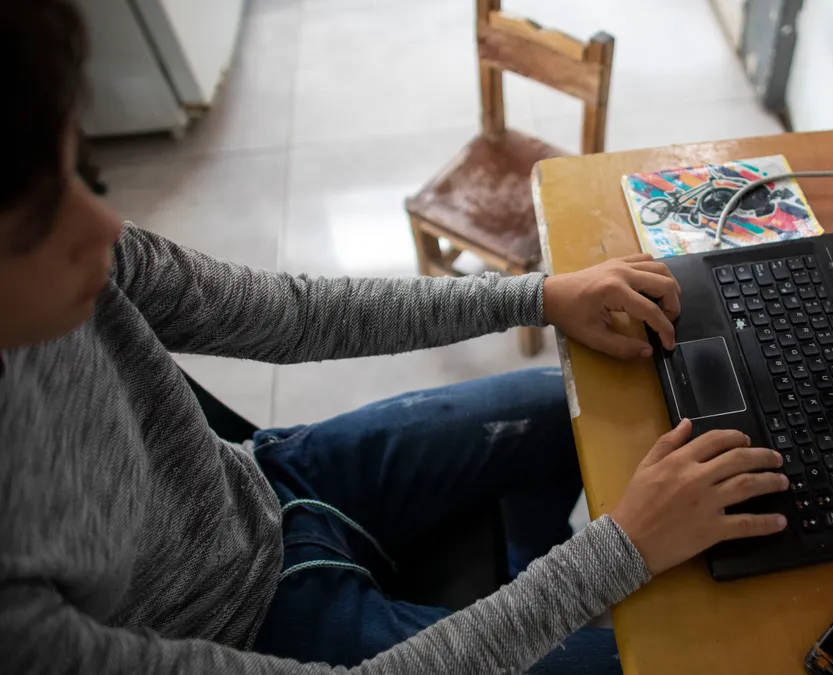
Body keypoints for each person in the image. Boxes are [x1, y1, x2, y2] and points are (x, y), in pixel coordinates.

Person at [0, 2, 789, 673]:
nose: (104, 229)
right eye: (39, 223)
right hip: (249, 633)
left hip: (273, 483)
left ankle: (528, 573)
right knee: (692, 655)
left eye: (85, 175)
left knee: (563, 403)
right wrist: (622, 550)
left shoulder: (84, 255)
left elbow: (292, 315)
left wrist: (542, 295)